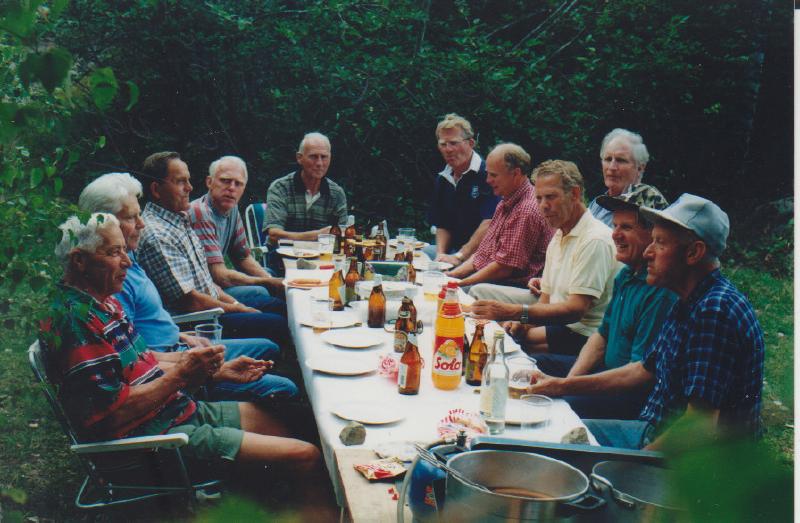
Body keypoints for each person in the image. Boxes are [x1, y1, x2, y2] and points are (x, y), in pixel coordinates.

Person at [41, 214, 332, 512]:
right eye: (114, 252)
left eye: (124, 250)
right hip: (155, 445)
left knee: (292, 422)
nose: (127, 261)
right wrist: (182, 374)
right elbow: (110, 415)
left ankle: (255, 501)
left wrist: (214, 372)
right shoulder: (76, 322)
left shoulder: (103, 301)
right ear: (79, 261)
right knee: (306, 456)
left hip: (176, 415)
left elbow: (142, 362)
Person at [78, 172, 298, 402]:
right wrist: (194, 365)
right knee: (283, 384)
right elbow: (131, 357)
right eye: (132, 218)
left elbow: (138, 330)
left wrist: (182, 336)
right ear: (105, 223)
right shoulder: (112, 277)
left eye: (139, 215)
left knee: (269, 345)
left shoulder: (129, 257)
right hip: (169, 368)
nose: (142, 224)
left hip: (179, 346)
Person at [583, 194, 765, 449]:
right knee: (565, 432)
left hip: (695, 464)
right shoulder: (689, 298)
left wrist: (632, 463)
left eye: (659, 243)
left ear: (693, 252)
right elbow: (642, 369)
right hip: (652, 432)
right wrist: (560, 385)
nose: (648, 252)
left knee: (564, 444)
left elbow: (699, 426)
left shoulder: (713, 312)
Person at [527, 185, 676, 419]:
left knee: (556, 409)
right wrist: (569, 381)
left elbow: (638, 375)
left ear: (653, 234)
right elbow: (601, 336)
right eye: (615, 225)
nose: (615, 234)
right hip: (603, 371)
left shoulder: (659, 290)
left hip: (627, 395)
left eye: (626, 227)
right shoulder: (626, 275)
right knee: (531, 367)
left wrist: (565, 387)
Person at [470, 160, 620, 356]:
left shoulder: (594, 240)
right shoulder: (559, 235)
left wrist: (515, 313)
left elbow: (576, 310)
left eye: (550, 197)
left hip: (584, 334)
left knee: (498, 343)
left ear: (575, 194)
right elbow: (545, 299)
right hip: (559, 324)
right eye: (539, 198)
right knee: (497, 333)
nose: (543, 206)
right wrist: (523, 323)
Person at [136, 151, 288, 341]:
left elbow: (210, 279)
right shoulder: (158, 235)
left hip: (213, 304)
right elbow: (191, 301)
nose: (190, 188)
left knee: (278, 307)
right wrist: (238, 308)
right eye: (181, 182)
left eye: (238, 184)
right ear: (156, 190)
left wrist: (237, 305)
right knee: (277, 324)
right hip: (199, 321)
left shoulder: (178, 220)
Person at [444, 143, 552, 289]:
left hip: (517, 287)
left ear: (516, 174)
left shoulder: (525, 210)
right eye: (488, 173)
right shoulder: (506, 200)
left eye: (493, 175)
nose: (487, 180)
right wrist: (452, 276)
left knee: (461, 292)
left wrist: (461, 283)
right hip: (497, 279)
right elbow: (482, 254)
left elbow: (503, 268)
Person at [188, 155, 287, 314]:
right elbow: (219, 275)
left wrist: (270, 280)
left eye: (238, 183)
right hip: (204, 294)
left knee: (270, 274)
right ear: (209, 182)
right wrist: (269, 283)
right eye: (225, 181)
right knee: (262, 291)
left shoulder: (231, 209)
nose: (231, 188)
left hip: (217, 286)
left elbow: (243, 257)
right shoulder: (201, 213)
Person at [423, 114, 500, 263]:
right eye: (443, 144)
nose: (448, 149)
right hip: (454, 251)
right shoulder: (444, 178)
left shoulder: (488, 175)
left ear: (471, 143)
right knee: (422, 256)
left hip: (484, 255)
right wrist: (441, 255)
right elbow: (442, 223)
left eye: (454, 143)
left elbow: (490, 222)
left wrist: (460, 256)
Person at [264, 132, 347, 243]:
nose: (319, 163)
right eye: (313, 157)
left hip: (322, 254)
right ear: (299, 158)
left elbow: (342, 237)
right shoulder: (280, 188)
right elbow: (274, 235)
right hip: (282, 253)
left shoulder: (337, 194)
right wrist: (319, 234)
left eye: (324, 157)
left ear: (330, 158)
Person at [588, 128, 649, 227]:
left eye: (621, 160)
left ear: (640, 168)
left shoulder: (647, 209)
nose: (612, 167)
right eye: (608, 159)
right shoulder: (595, 205)